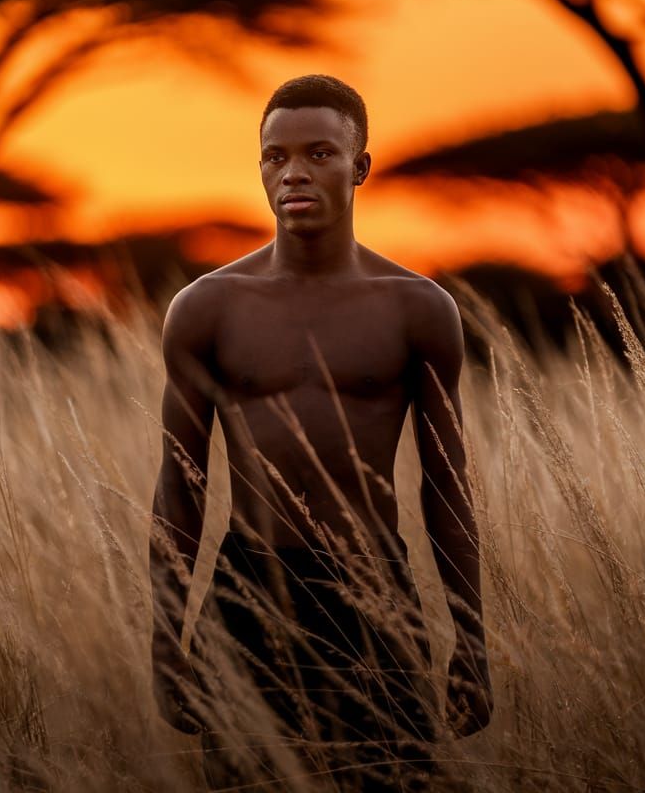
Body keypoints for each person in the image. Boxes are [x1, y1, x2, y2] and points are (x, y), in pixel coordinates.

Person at [150, 74, 492, 791]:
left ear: (360, 166)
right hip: (248, 588)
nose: (294, 172)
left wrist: (471, 639)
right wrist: (167, 633)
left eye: (319, 153)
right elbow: (181, 482)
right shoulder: (207, 307)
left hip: (373, 590)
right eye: (275, 156)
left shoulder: (417, 309)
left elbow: (445, 485)